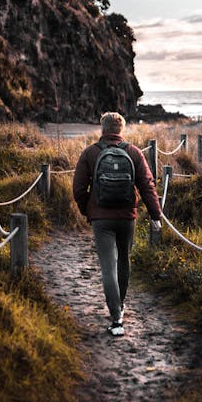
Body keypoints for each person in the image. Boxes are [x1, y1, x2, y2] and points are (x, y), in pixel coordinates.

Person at [73, 111, 162, 336]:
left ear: (102, 129)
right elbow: (147, 185)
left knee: (107, 267)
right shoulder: (133, 152)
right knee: (123, 261)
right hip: (126, 217)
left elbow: (78, 189)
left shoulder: (90, 153)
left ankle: (116, 317)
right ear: (121, 129)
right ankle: (120, 306)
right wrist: (155, 214)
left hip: (101, 219)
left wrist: (88, 210)